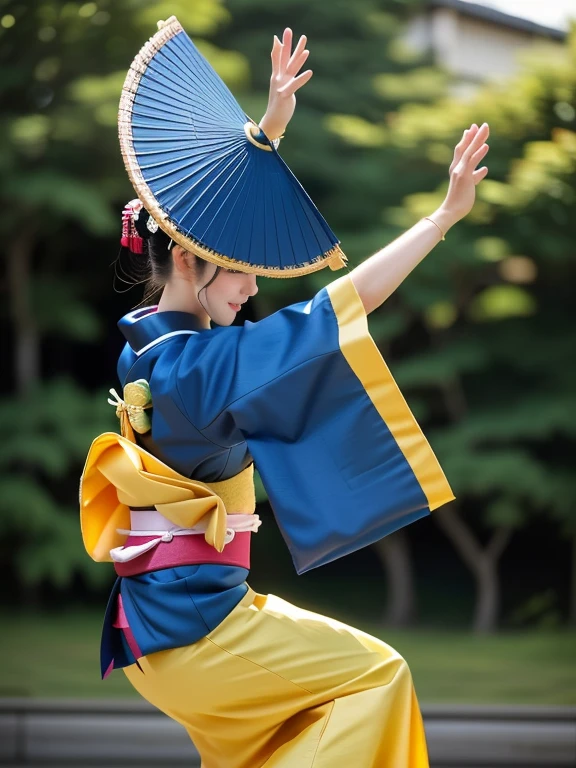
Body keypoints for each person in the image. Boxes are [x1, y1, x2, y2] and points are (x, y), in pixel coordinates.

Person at [80, 24, 490, 768]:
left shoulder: (147, 346)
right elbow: (340, 307)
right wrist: (442, 219)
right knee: (376, 677)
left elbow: (203, 219)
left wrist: (264, 133)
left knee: (276, 746)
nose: (251, 288)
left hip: (161, 629)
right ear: (183, 256)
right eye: (239, 270)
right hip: (196, 631)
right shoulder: (200, 368)